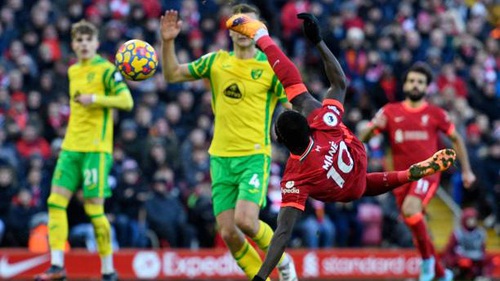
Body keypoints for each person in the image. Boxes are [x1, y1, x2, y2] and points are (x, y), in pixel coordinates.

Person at [225, 12, 457, 281]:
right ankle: (263, 35)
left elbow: (283, 233)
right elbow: (338, 82)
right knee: (295, 89)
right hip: (354, 155)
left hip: (348, 188)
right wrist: (318, 42)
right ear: (306, 125)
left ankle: (407, 174)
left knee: (362, 186)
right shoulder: (322, 120)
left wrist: (261, 276)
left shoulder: (294, 177)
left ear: (281, 141)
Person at [160, 4, 297, 281]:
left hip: (254, 156)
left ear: (261, 31)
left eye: (250, 25)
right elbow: (173, 74)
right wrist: (168, 42)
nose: (244, 30)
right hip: (220, 158)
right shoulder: (216, 62)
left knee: (245, 221)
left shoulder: (271, 68)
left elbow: (295, 103)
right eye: (238, 24)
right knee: (228, 233)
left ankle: (283, 262)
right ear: (230, 29)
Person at [359, 49, 476, 281]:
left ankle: (426, 266)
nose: (415, 85)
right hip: (402, 178)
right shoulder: (390, 111)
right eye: (411, 80)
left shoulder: (435, 114)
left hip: (428, 174)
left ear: (427, 87)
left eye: (420, 82)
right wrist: (373, 128)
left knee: (411, 211)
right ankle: (442, 274)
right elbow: (360, 138)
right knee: (415, 226)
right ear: (405, 85)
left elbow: (456, 139)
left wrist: (466, 170)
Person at [36, 19, 133, 281]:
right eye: (79, 40)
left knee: (94, 210)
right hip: (70, 148)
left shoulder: (106, 70)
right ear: (73, 44)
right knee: (55, 203)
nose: (83, 44)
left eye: (88, 39)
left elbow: (127, 101)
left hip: (96, 150)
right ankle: (57, 266)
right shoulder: (73, 71)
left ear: (97, 43)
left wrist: (97, 99)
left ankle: (108, 269)